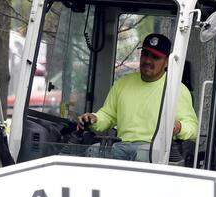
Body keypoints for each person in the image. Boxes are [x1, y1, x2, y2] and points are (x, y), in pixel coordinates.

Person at [76, 33, 198, 162]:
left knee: (141, 155)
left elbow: (192, 128)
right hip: (121, 146)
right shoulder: (122, 83)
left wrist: (179, 127)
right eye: (145, 54)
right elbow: (108, 115)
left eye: (155, 57)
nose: (147, 61)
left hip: (154, 151)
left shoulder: (177, 89)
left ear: (167, 62)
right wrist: (94, 118)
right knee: (92, 151)